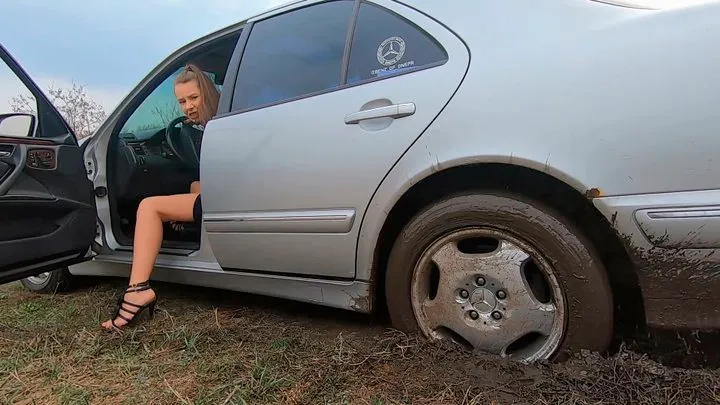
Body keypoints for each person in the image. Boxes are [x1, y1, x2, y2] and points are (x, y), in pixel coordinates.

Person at [101, 63, 220, 330]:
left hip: (227, 198)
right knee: (193, 184)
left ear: (208, 94)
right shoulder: (216, 123)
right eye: (182, 101)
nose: (187, 106)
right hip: (227, 193)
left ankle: (137, 290)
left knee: (149, 207)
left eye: (194, 98)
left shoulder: (217, 126)